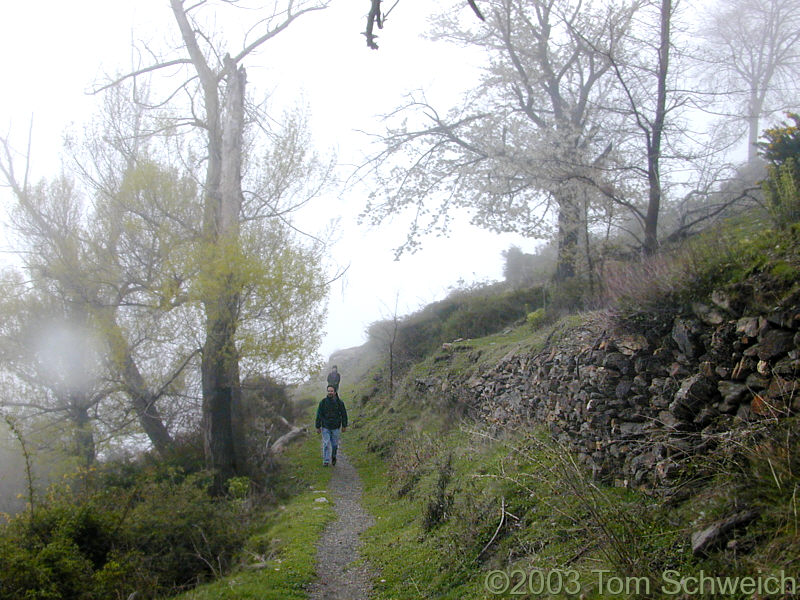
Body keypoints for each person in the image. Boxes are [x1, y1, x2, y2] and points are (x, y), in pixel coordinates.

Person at [315, 385, 348, 466]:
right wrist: (318, 426)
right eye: (328, 391)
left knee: (334, 444)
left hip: (336, 427)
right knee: (326, 444)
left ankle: (333, 456)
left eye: (331, 391)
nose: (330, 392)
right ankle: (326, 461)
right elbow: (319, 414)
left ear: (335, 392)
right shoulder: (323, 402)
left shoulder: (340, 403)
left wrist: (344, 425)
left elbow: (344, 414)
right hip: (325, 426)